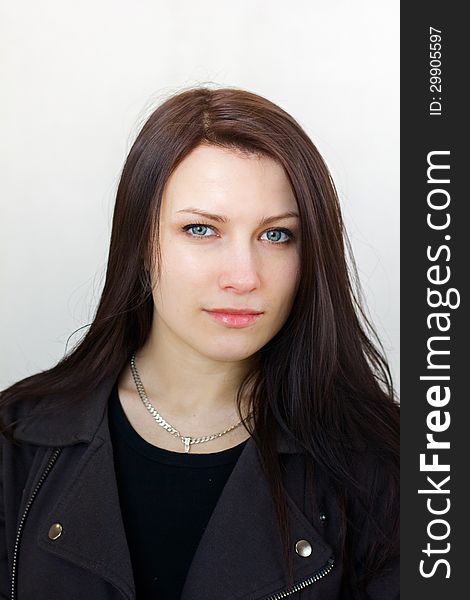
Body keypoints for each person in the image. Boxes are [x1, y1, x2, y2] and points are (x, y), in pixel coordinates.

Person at [0, 86, 399, 599]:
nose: (244, 275)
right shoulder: (17, 442)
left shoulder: (386, 469)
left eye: (276, 235)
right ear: (141, 240)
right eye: (201, 229)